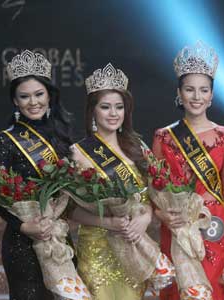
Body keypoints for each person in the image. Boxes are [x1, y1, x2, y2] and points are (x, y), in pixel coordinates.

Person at [152, 41, 224, 300]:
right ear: (179, 92)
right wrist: (164, 216)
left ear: (212, 95)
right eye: (190, 89)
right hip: (177, 226)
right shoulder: (163, 137)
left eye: (203, 90)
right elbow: (154, 189)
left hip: (215, 226)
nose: (197, 97)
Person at [0, 50, 73, 299]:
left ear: (49, 95)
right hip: (22, 243)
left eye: (39, 94)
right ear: (15, 101)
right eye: (24, 97)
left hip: (57, 236)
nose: (33, 102)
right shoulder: (6, 140)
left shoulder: (60, 136)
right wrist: (24, 225)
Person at [70, 63, 152, 299]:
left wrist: (144, 219)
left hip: (133, 247)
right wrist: (109, 223)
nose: (113, 113)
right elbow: (70, 210)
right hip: (97, 250)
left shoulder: (138, 147)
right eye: (105, 107)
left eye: (119, 107)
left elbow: (150, 198)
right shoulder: (77, 152)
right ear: (93, 111)